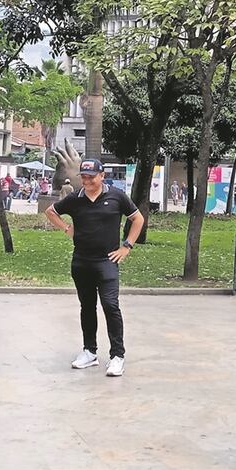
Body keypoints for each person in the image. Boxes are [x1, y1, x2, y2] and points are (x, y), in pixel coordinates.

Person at [44, 159, 145, 377]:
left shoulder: (116, 196)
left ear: (102, 176)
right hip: (81, 261)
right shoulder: (75, 198)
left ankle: (117, 356)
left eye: (91, 176)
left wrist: (126, 246)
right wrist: (66, 228)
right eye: (84, 176)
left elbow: (137, 219)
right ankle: (89, 352)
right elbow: (51, 211)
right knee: (87, 307)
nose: (87, 180)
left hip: (107, 261)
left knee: (110, 306)